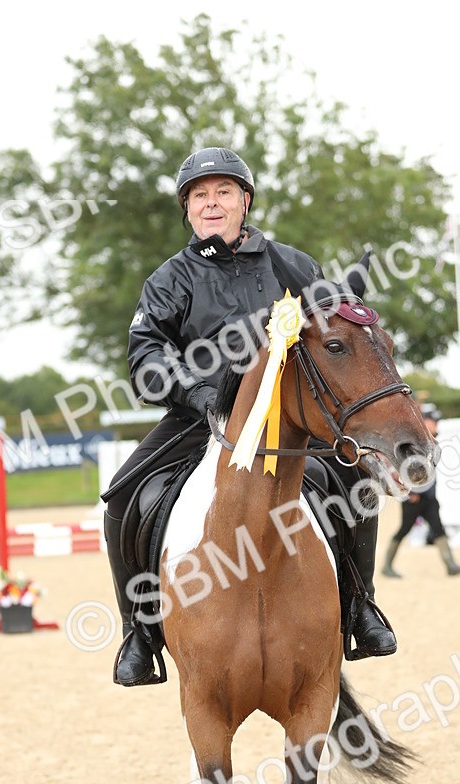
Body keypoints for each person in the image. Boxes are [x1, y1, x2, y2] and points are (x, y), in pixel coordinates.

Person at [103, 145, 397, 686]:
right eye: (198, 196)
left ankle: (361, 608)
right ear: (187, 209)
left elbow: (334, 337)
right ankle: (139, 634)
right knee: (125, 492)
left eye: (222, 192)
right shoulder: (169, 280)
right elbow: (147, 359)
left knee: (353, 477)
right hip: (201, 419)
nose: (210, 204)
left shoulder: (294, 265)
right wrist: (195, 395)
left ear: (244, 200)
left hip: (288, 419)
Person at [381, 403, 460, 579]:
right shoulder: (409, 440)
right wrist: (408, 493)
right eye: (433, 421)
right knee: (404, 530)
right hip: (413, 497)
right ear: (425, 421)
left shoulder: (430, 438)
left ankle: (451, 565)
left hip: (430, 495)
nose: (436, 425)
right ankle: (387, 565)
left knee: (438, 528)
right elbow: (396, 466)